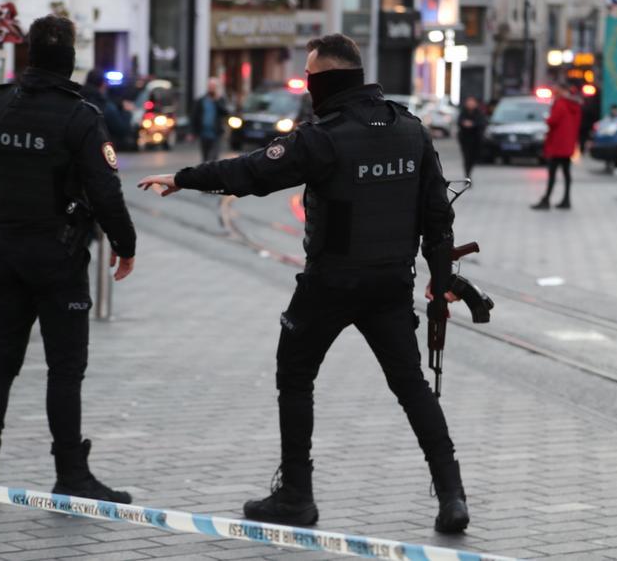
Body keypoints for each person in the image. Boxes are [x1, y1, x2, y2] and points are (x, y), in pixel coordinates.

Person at [137, 33, 470, 534]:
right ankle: (453, 496)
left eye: (312, 76)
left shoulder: (324, 135)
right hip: (389, 284)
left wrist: (184, 177)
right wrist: (441, 279)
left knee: (294, 374)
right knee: (412, 386)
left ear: (327, 80)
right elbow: (437, 215)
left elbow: (253, 172)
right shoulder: (411, 130)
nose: (309, 86)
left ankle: (296, 494)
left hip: (330, 283)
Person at [0, 15, 138, 504]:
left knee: (2, 359)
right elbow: (105, 190)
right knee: (64, 368)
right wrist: (125, 244)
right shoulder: (80, 116)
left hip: (6, 249)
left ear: (30, 54)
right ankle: (71, 473)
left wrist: (0, 218)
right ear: (71, 58)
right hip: (58, 256)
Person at [532, 83, 581, 210]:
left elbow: (553, 121)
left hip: (557, 144)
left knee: (552, 173)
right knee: (566, 173)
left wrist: (547, 119)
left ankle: (546, 199)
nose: (555, 92)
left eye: (556, 90)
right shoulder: (575, 105)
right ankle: (566, 199)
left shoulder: (560, 104)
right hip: (568, 145)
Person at [83, 69, 129, 146]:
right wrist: (127, 112)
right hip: (102, 147)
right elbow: (121, 129)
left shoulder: (79, 99)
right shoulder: (106, 106)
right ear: (102, 84)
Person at [189, 78, 230, 162]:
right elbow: (194, 116)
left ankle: (212, 174)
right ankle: (205, 174)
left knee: (213, 157)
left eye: (213, 86)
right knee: (205, 157)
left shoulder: (220, 99)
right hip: (203, 133)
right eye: (210, 86)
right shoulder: (201, 100)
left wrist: (217, 101)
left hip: (216, 133)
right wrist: (192, 132)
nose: (211, 88)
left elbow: (226, 113)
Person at [455, 96, 487, 179]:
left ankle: (469, 172)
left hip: (476, 139)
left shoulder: (479, 113)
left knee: (473, 158)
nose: (470, 104)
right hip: (465, 139)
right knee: (467, 157)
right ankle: (467, 175)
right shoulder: (463, 112)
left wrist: (472, 124)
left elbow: (482, 123)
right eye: (469, 102)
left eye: (472, 102)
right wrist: (464, 124)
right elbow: (459, 122)